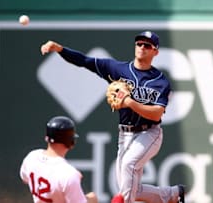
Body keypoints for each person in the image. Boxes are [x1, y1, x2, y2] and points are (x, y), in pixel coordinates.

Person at [40, 31, 185, 203]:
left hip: (149, 134)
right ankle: (174, 193)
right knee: (130, 187)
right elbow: (85, 61)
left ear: (155, 52)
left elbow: (157, 113)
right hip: (125, 134)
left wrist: (129, 102)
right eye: (139, 43)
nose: (141, 47)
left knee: (128, 166)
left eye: (147, 45)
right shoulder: (118, 69)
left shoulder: (160, 82)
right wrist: (59, 49)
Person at [19, 116, 98, 203]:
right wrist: (91, 200)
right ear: (71, 142)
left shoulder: (31, 157)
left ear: (47, 138)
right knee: (92, 198)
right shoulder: (69, 174)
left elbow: (24, 178)